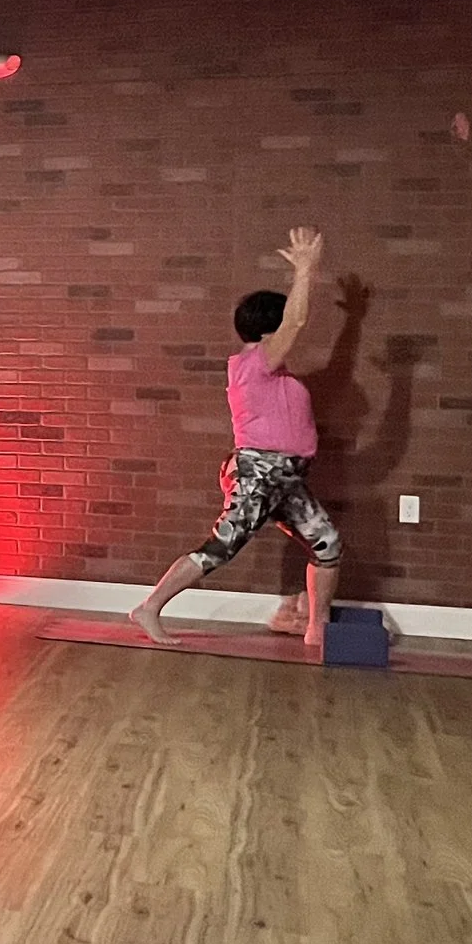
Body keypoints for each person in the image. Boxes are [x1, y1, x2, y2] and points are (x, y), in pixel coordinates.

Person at [131, 227, 342, 648]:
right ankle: (149, 608)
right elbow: (297, 319)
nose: (291, 331)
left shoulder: (274, 373)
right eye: (280, 324)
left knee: (328, 545)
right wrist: (305, 270)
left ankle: (315, 628)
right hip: (260, 471)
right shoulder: (253, 365)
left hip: (287, 477)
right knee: (222, 546)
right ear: (268, 329)